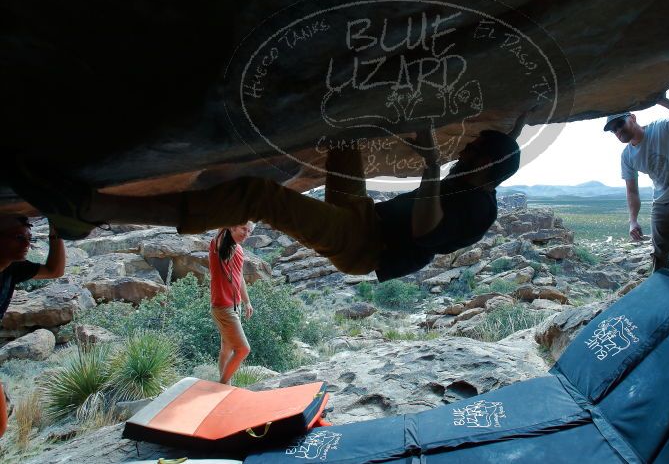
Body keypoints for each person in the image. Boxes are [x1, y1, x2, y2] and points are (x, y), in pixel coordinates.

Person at [7, 120, 523, 281]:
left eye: (474, 152)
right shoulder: (467, 184)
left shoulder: (479, 210)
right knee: (346, 140)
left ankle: (91, 210)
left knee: (259, 198)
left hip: (365, 247)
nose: (464, 152)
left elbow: (424, 233)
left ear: (490, 170)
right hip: (366, 218)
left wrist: (432, 167)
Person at [604, 95, 669, 278]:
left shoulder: (663, 128)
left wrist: (663, 101)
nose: (617, 131)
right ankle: (664, 298)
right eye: (613, 130)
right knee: (659, 257)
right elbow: (632, 191)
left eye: (620, 124)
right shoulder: (627, 156)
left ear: (633, 118)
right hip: (662, 204)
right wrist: (633, 221)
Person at [0, 216, 65, 438]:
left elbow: (55, 270)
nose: (27, 244)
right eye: (19, 238)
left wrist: (56, 231)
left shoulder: (11, 268)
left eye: (29, 238)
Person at [209, 223, 254, 385]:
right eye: (244, 228)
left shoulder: (239, 250)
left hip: (235, 307)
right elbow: (222, 222)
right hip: (223, 307)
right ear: (232, 227)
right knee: (243, 350)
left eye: (249, 231)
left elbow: (239, 277)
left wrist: (247, 301)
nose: (246, 233)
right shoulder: (218, 244)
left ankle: (224, 385)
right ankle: (222, 386)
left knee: (227, 349)